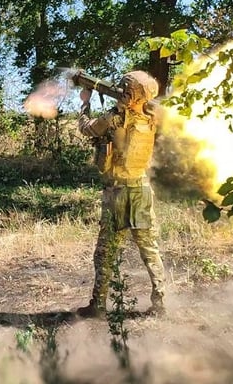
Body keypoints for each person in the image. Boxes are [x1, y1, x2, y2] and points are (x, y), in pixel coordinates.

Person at [75, 70, 167, 318]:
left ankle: (98, 306)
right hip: (142, 188)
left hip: (118, 191)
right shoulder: (151, 118)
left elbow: (88, 129)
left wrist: (85, 102)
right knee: (149, 249)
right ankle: (161, 302)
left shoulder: (115, 118)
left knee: (105, 252)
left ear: (130, 93)